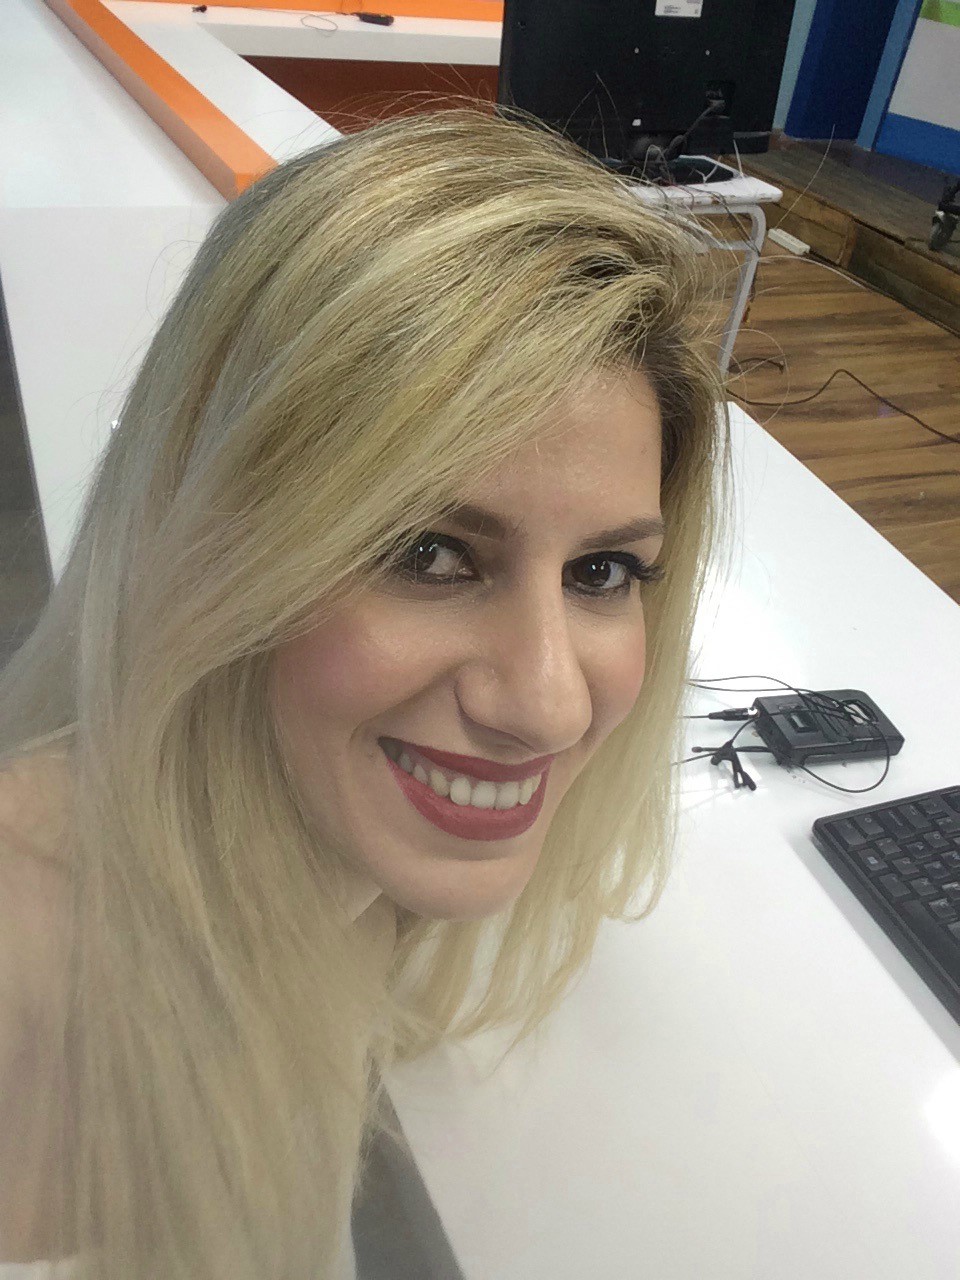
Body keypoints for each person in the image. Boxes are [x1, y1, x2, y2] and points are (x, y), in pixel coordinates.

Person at [0, 105, 732, 1279]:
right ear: (217, 537)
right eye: (429, 554)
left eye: (603, 572)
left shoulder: (339, 864)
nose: (547, 705)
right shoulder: (26, 987)